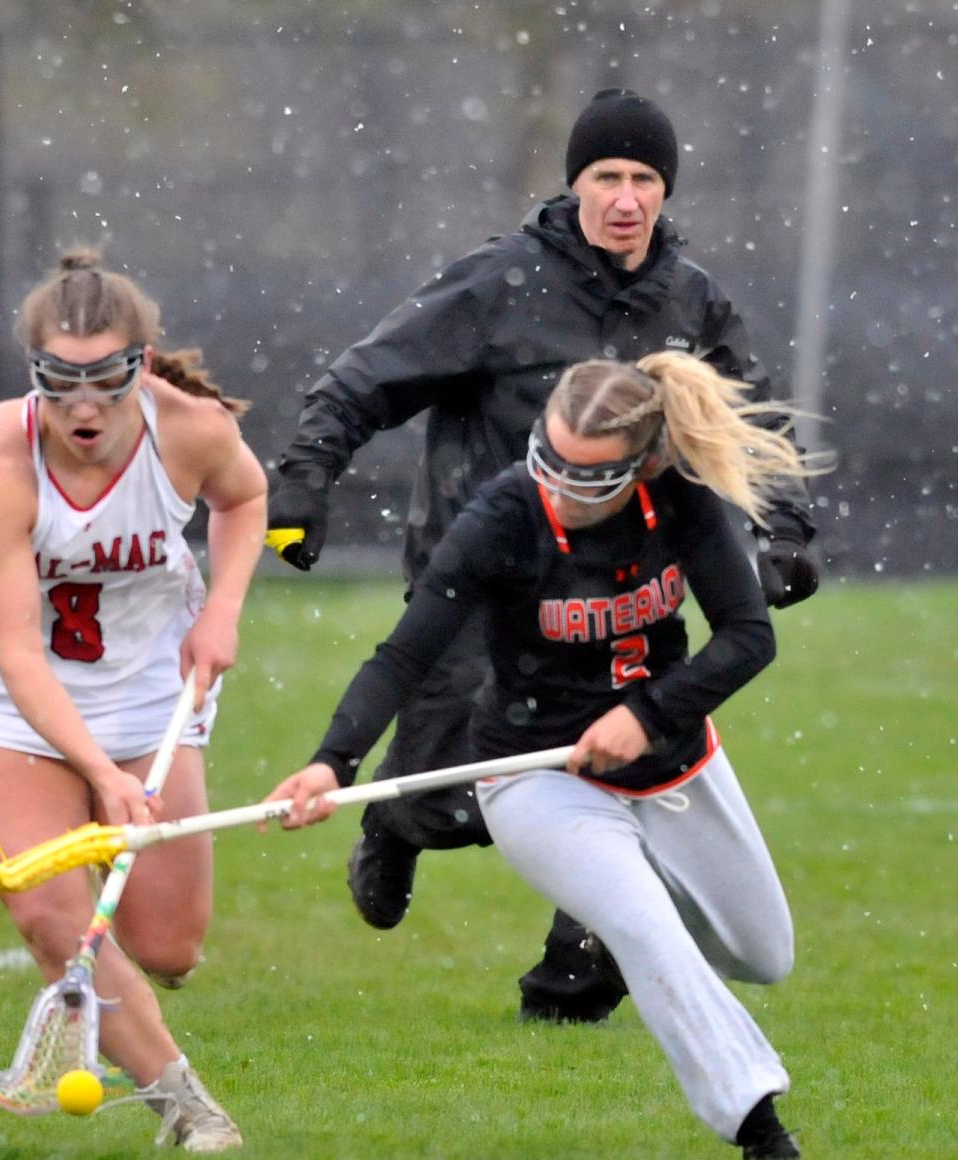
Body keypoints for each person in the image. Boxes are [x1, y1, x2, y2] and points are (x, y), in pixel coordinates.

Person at [265, 87, 822, 1026]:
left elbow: (745, 420)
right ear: (575, 184)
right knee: (466, 792)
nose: (626, 197)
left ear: (664, 193)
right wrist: (304, 478)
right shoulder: (500, 283)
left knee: (624, 761)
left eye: (645, 178)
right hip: (487, 582)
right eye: (607, 175)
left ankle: (575, 973)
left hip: (625, 593)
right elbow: (367, 376)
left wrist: (787, 528)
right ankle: (402, 822)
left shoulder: (690, 300)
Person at [267, 350, 829, 1160]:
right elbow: (403, 657)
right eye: (551, 460)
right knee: (649, 931)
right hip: (535, 772)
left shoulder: (680, 499)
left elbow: (749, 637)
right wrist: (332, 763)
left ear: (644, 465)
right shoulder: (503, 516)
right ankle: (757, 1125)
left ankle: (624, 919)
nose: (560, 487)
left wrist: (648, 713)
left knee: (761, 953)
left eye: (589, 476)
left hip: (669, 758)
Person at [0, 249, 267, 1153]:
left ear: (141, 366)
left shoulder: (188, 429)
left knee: (167, 947)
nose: (82, 406)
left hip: (151, 694)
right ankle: (187, 1109)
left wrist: (221, 611)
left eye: (106, 380)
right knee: (51, 913)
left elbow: (247, 497)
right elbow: (18, 653)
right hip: (2, 701)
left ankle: (132, 1012)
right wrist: (93, 775)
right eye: (59, 381)